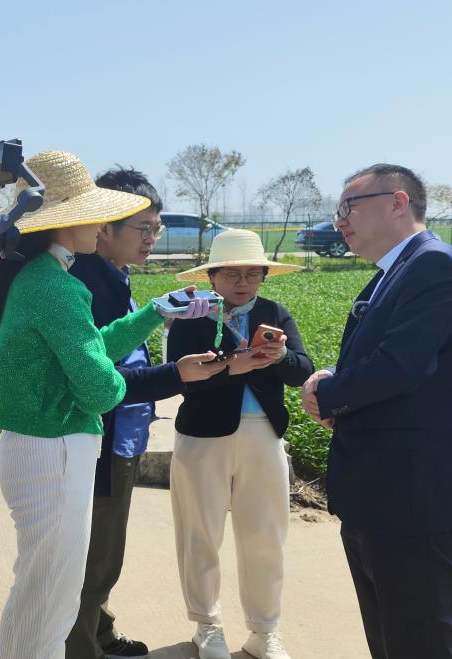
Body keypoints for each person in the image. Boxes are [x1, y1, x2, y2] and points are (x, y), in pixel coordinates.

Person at [0, 150, 218, 659]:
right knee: (52, 601)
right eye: (97, 212)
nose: (103, 222)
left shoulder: (40, 277)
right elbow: (99, 389)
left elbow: (90, 347)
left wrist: (152, 313)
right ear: (71, 223)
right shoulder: (59, 288)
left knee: (38, 594)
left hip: (42, 447)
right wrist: (151, 376)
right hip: (57, 452)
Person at [301, 164, 452, 659]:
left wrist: (328, 393)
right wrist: (329, 381)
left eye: (349, 207)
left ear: (398, 202)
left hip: (414, 499)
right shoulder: (395, 272)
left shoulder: (434, 266)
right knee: (389, 638)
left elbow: (399, 365)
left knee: (417, 641)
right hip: (382, 496)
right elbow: (377, 363)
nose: (340, 221)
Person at [64, 167, 225, 659]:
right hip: (101, 439)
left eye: (157, 229)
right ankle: (82, 647)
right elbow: (101, 380)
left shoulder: (114, 274)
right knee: (93, 561)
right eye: (144, 229)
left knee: (105, 553)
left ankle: (100, 632)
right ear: (104, 226)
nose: (152, 239)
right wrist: (178, 374)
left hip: (123, 437)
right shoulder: (85, 283)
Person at [166, 229, 314, 659]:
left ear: (264, 277)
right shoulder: (192, 317)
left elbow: (301, 370)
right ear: (212, 277)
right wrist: (237, 363)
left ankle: (264, 630)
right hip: (202, 437)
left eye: (252, 273)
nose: (243, 282)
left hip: (262, 435)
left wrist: (281, 355)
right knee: (199, 534)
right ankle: (207, 624)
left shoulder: (275, 314)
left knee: (265, 534)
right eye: (231, 273)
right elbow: (185, 382)